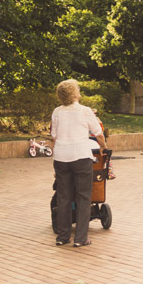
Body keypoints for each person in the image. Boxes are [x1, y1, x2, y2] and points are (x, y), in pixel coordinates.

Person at [51, 79, 108, 247]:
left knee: (63, 197)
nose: (79, 91)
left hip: (61, 158)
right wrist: (103, 147)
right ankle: (81, 238)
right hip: (81, 157)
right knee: (83, 197)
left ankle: (63, 236)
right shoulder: (85, 111)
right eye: (78, 89)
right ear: (74, 94)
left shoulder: (57, 112)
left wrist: (53, 160)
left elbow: (54, 137)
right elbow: (98, 133)